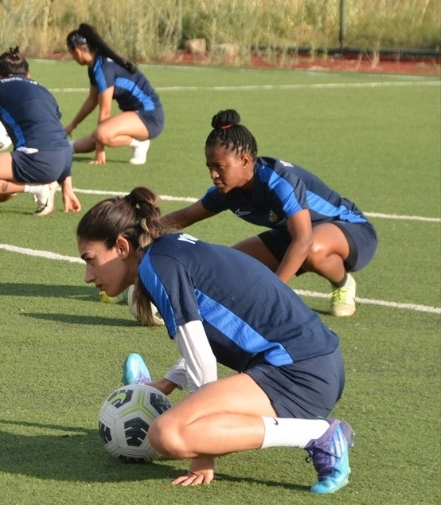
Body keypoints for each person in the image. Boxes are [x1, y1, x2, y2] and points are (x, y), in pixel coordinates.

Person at [77, 186, 353, 494]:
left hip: (301, 374)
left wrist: (201, 451)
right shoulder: (167, 252)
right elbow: (213, 334)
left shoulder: (159, 266)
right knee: (181, 425)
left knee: (170, 435)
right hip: (310, 364)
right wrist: (169, 382)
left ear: (121, 247)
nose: (88, 275)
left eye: (90, 259)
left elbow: (203, 361)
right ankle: (152, 396)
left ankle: (317, 434)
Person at [161, 109, 377, 317]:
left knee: (310, 250)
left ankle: (343, 283)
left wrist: (272, 293)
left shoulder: (279, 182)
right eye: (209, 167)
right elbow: (184, 217)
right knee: (230, 265)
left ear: (245, 160)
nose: (213, 174)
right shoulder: (225, 190)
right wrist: (140, 232)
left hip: (353, 232)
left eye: (219, 166)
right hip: (295, 234)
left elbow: (303, 241)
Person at [0, 47, 81, 217]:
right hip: (63, 158)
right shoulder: (44, 91)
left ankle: (39, 188)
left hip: (38, 158)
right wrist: (67, 187)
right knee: (3, 186)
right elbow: (58, 137)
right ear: (28, 74)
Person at [64, 23, 165, 166]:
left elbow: (105, 112)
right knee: (98, 135)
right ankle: (64, 148)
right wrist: (72, 125)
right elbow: (92, 100)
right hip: (136, 115)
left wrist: (100, 150)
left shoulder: (104, 69)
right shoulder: (95, 66)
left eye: (71, 53)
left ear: (78, 51)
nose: (73, 58)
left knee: (102, 134)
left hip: (149, 117)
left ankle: (139, 143)